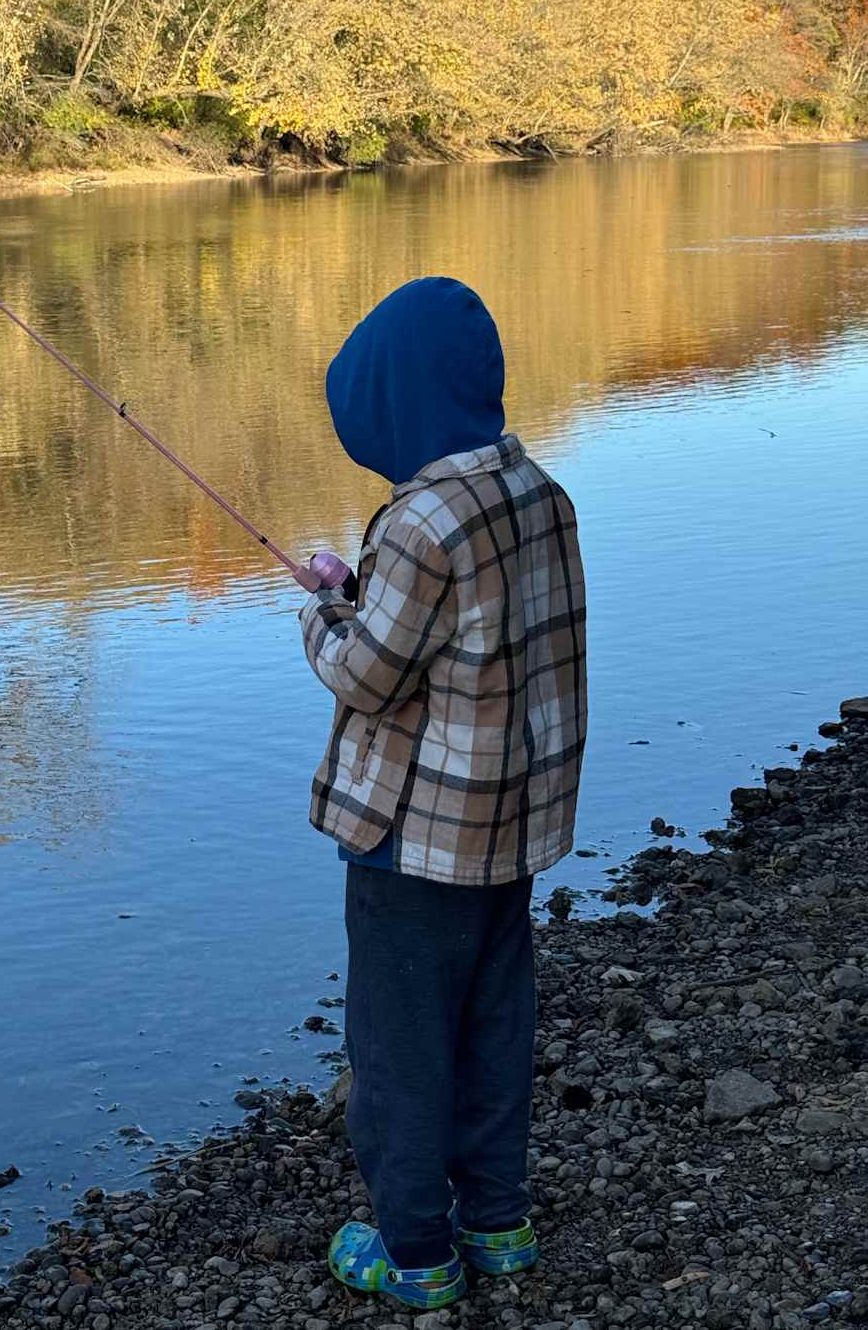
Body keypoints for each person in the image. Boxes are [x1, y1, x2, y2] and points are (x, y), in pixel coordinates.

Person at [300, 277, 587, 1312]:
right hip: (508, 833)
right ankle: (498, 1224)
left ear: (394, 409)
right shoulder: (538, 492)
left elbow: (365, 676)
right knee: (492, 1026)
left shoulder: (421, 519)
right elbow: (486, 642)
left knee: (398, 1049)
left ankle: (416, 1253)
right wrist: (362, 594)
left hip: (410, 847)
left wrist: (324, 614)